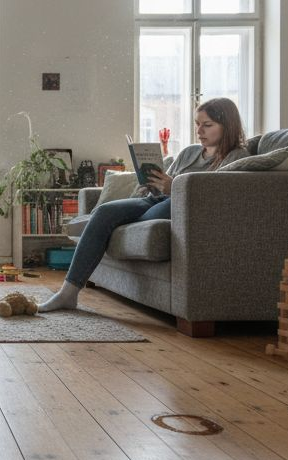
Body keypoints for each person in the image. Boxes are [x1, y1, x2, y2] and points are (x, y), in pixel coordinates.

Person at [38, 97, 251, 312]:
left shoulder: (236, 157)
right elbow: (165, 181)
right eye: (197, 124)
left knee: (134, 217)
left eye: (207, 125)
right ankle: (68, 293)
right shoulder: (190, 152)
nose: (200, 131)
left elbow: (219, 197)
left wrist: (174, 187)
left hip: (180, 206)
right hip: (156, 198)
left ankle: (95, 228)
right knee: (104, 211)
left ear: (228, 126)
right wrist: (153, 182)